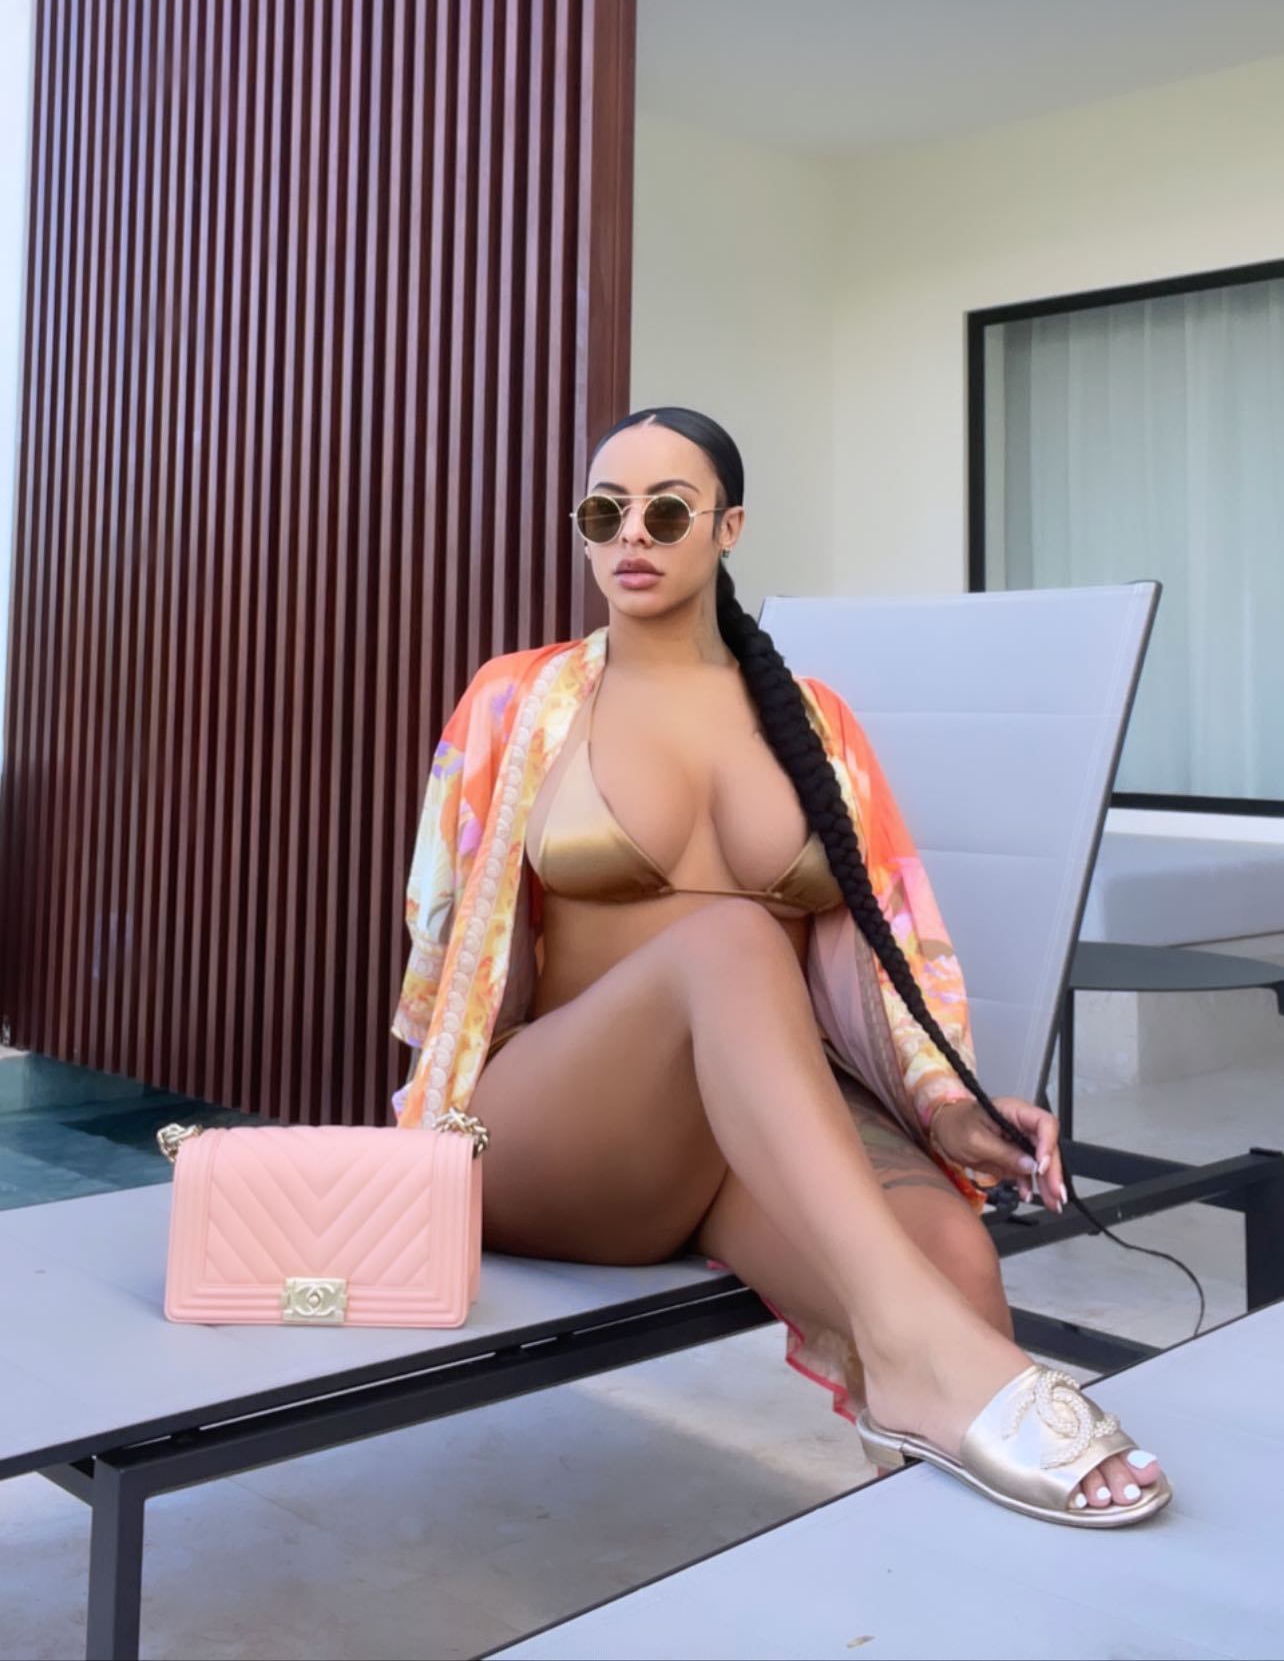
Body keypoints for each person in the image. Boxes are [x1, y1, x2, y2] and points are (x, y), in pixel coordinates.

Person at [394, 406, 1169, 1525]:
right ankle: (919, 1357)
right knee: (729, 938)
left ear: (731, 527)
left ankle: (953, 1550)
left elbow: (889, 939)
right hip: (556, 1130)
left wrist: (947, 1106)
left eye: (667, 512)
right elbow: (445, 942)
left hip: (745, 1131)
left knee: (954, 1256)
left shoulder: (817, 724)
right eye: (604, 513)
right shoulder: (519, 698)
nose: (632, 535)